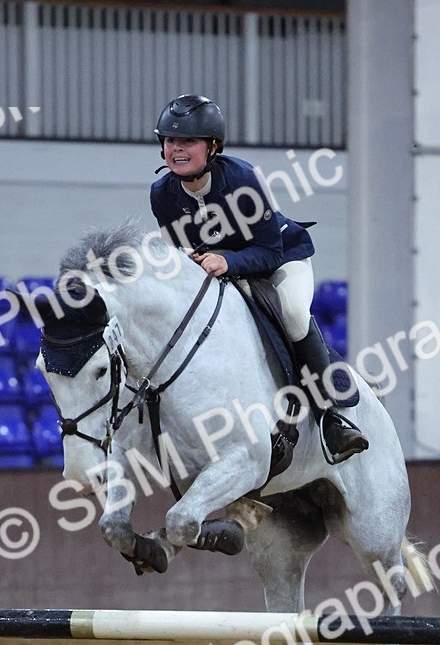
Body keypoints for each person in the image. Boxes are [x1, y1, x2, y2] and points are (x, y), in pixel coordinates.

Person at [150, 93, 368, 463]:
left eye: (188, 141)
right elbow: (182, 249)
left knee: (296, 314)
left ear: (213, 146)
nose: (177, 149)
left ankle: (333, 418)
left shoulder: (243, 179)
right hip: (226, 271)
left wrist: (227, 262)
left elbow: (269, 252)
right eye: (171, 141)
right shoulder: (162, 194)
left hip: (281, 260)